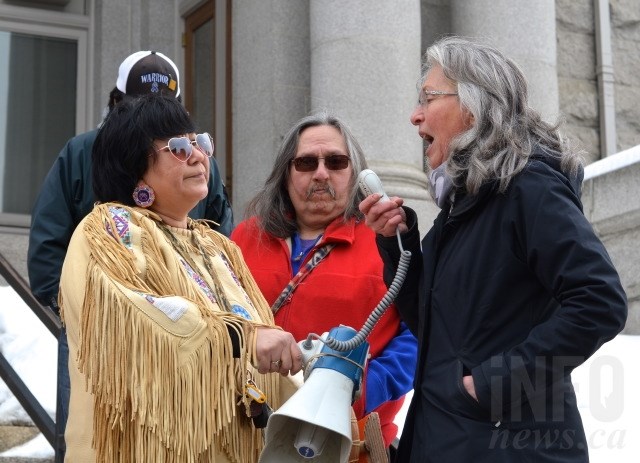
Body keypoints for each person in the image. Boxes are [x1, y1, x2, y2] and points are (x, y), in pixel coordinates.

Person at [359, 36, 628, 462]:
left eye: (428, 98)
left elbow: (600, 302)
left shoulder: (530, 188)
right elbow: (437, 331)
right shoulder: (461, 209)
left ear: (473, 105)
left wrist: (493, 384)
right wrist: (400, 244)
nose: (415, 116)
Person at [58, 94, 300, 462]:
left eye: (199, 142)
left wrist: (310, 377)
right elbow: (137, 318)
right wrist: (241, 338)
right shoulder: (106, 229)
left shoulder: (219, 247)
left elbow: (263, 351)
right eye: (178, 147)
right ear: (134, 165)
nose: (199, 155)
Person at [27, 50, 233, 461]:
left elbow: (218, 236)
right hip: (99, 328)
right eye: (136, 103)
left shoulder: (197, 160)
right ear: (115, 102)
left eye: (166, 111)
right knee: (100, 433)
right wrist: (75, 308)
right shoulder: (83, 165)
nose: (191, 154)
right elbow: (48, 245)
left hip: (192, 343)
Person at [231, 112, 417, 455]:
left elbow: (417, 334)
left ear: (356, 173)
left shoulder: (387, 243)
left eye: (335, 161)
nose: (320, 173)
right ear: (286, 174)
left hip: (346, 443)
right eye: (305, 163)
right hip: (246, 438)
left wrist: (365, 386)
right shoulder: (245, 238)